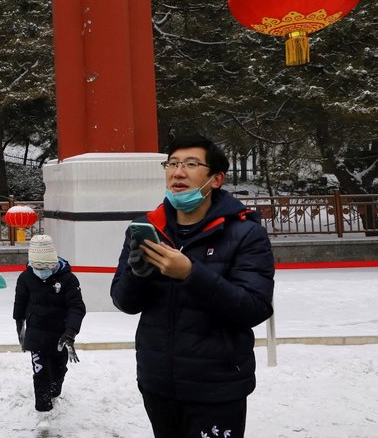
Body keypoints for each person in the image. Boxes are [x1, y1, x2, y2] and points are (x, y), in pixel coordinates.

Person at [110, 135, 275, 438]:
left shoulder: (245, 233)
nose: (178, 172)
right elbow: (124, 302)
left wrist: (190, 274)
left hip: (217, 388)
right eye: (172, 163)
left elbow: (255, 307)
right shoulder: (148, 227)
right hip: (157, 383)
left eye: (191, 164)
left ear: (216, 178)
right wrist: (138, 273)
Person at [13, 234, 86, 429]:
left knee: (58, 371)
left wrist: (71, 332)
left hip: (59, 335)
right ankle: (43, 412)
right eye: (37, 267)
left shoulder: (68, 279)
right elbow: (19, 304)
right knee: (41, 374)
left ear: (53, 263)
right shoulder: (26, 277)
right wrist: (19, 325)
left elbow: (76, 307)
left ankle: (55, 394)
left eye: (45, 268)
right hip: (36, 335)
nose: (42, 272)